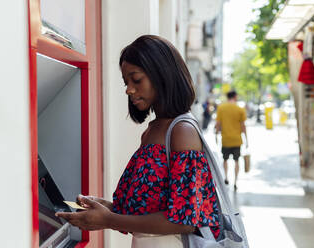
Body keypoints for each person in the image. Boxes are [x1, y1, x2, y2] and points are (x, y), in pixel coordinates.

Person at [56, 35, 221, 247]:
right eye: (126, 82)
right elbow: (147, 209)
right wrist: (105, 208)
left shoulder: (182, 131)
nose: (129, 89)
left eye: (136, 79)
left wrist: (108, 219)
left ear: (161, 75)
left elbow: (184, 220)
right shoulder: (153, 129)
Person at [215, 90, 247, 191]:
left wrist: (216, 135)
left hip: (226, 139)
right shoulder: (240, 109)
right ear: (235, 96)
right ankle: (236, 181)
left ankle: (226, 177)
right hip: (237, 140)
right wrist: (246, 139)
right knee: (237, 160)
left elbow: (218, 124)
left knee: (225, 159)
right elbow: (243, 126)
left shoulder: (221, 108)